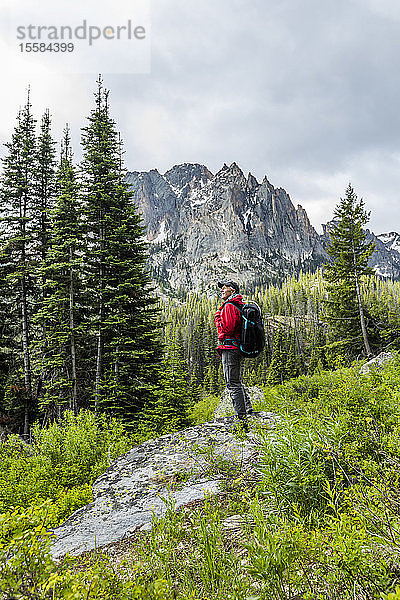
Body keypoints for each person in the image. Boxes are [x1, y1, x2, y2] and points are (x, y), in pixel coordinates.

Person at [214, 280, 253, 430]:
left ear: (233, 291)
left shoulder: (229, 306)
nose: (222, 289)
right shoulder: (236, 304)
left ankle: (242, 422)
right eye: (222, 287)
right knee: (236, 380)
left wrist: (218, 318)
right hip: (235, 347)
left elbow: (229, 329)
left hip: (230, 348)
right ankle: (247, 408)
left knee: (232, 383)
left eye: (225, 287)